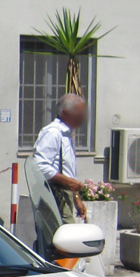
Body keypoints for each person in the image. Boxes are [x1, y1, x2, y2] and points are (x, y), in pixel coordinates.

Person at [32, 93, 88, 225]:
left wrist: (76, 198)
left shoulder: (66, 134)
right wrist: (68, 182)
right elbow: (39, 166)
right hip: (54, 195)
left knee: (66, 237)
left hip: (64, 195)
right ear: (65, 113)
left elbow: (67, 170)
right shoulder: (53, 132)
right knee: (62, 238)